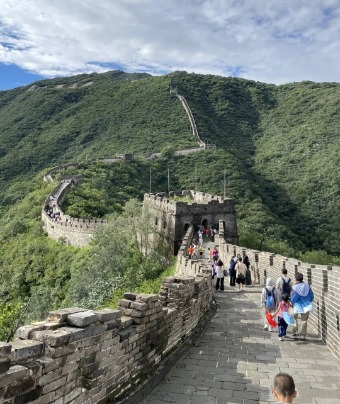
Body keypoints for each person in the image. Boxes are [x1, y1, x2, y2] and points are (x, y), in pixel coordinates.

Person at [291, 272, 314, 340]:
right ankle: (303, 334)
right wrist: (308, 300)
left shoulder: (295, 288)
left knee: (294, 318)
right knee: (304, 320)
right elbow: (311, 296)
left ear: (296, 279)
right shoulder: (307, 286)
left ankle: (294, 331)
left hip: (297, 305)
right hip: (306, 305)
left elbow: (294, 299)